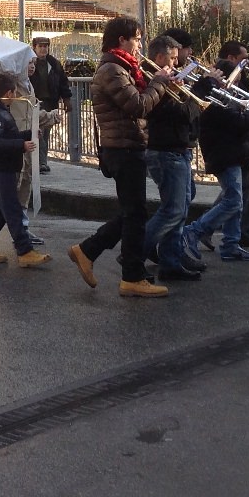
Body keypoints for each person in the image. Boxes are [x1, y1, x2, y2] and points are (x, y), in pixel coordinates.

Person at [66, 16, 172, 298]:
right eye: (137, 38)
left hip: (128, 146)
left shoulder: (124, 68)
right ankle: (132, 277)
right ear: (121, 40)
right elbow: (137, 105)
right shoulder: (112, 70)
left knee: (132, 212)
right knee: (135, 213)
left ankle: (88, 250)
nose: (140, 44)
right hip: (122, 149)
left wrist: (159, 84)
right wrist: (159, 83)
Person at [182, 60, 249, 262]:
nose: (238, 83)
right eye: (235, 78)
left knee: (235, 200)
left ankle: (231, 244)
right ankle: (194, 230)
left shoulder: (226, 96)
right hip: (223, 152)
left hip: (232, 151)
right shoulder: (216, 99)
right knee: (233, 200)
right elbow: (238, 123)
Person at [142, 34, 205, 280]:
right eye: (172, 59)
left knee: (179, 209)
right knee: (173, 211)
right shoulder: (154, 80)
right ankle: (134, 253)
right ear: (159, 57)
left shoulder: (166, 79)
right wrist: (199, 92)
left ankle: (170, 261)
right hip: (166, 152)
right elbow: (181, 114)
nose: (176, 65)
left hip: (175, 150)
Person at [0, 73, 50, 267]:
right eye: (14, 91)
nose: (16, 95)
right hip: (0, 170)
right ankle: (25, 250)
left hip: (2, 169)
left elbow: (9, 135)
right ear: (8, 93)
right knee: (13, 211)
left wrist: (28, 134)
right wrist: (21, 144)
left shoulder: (0, 111)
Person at [29, 35, 72, 173]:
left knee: (45, 133)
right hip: (33, 102)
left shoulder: (53, 63)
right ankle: (38, 162)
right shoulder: (30, 62)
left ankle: (41, 162)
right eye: (40, 46)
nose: (43, 49)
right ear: (34, 47)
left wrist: (67, 99)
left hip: (49, 102)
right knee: (36, 132)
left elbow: (63, 82)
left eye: (45, 46)